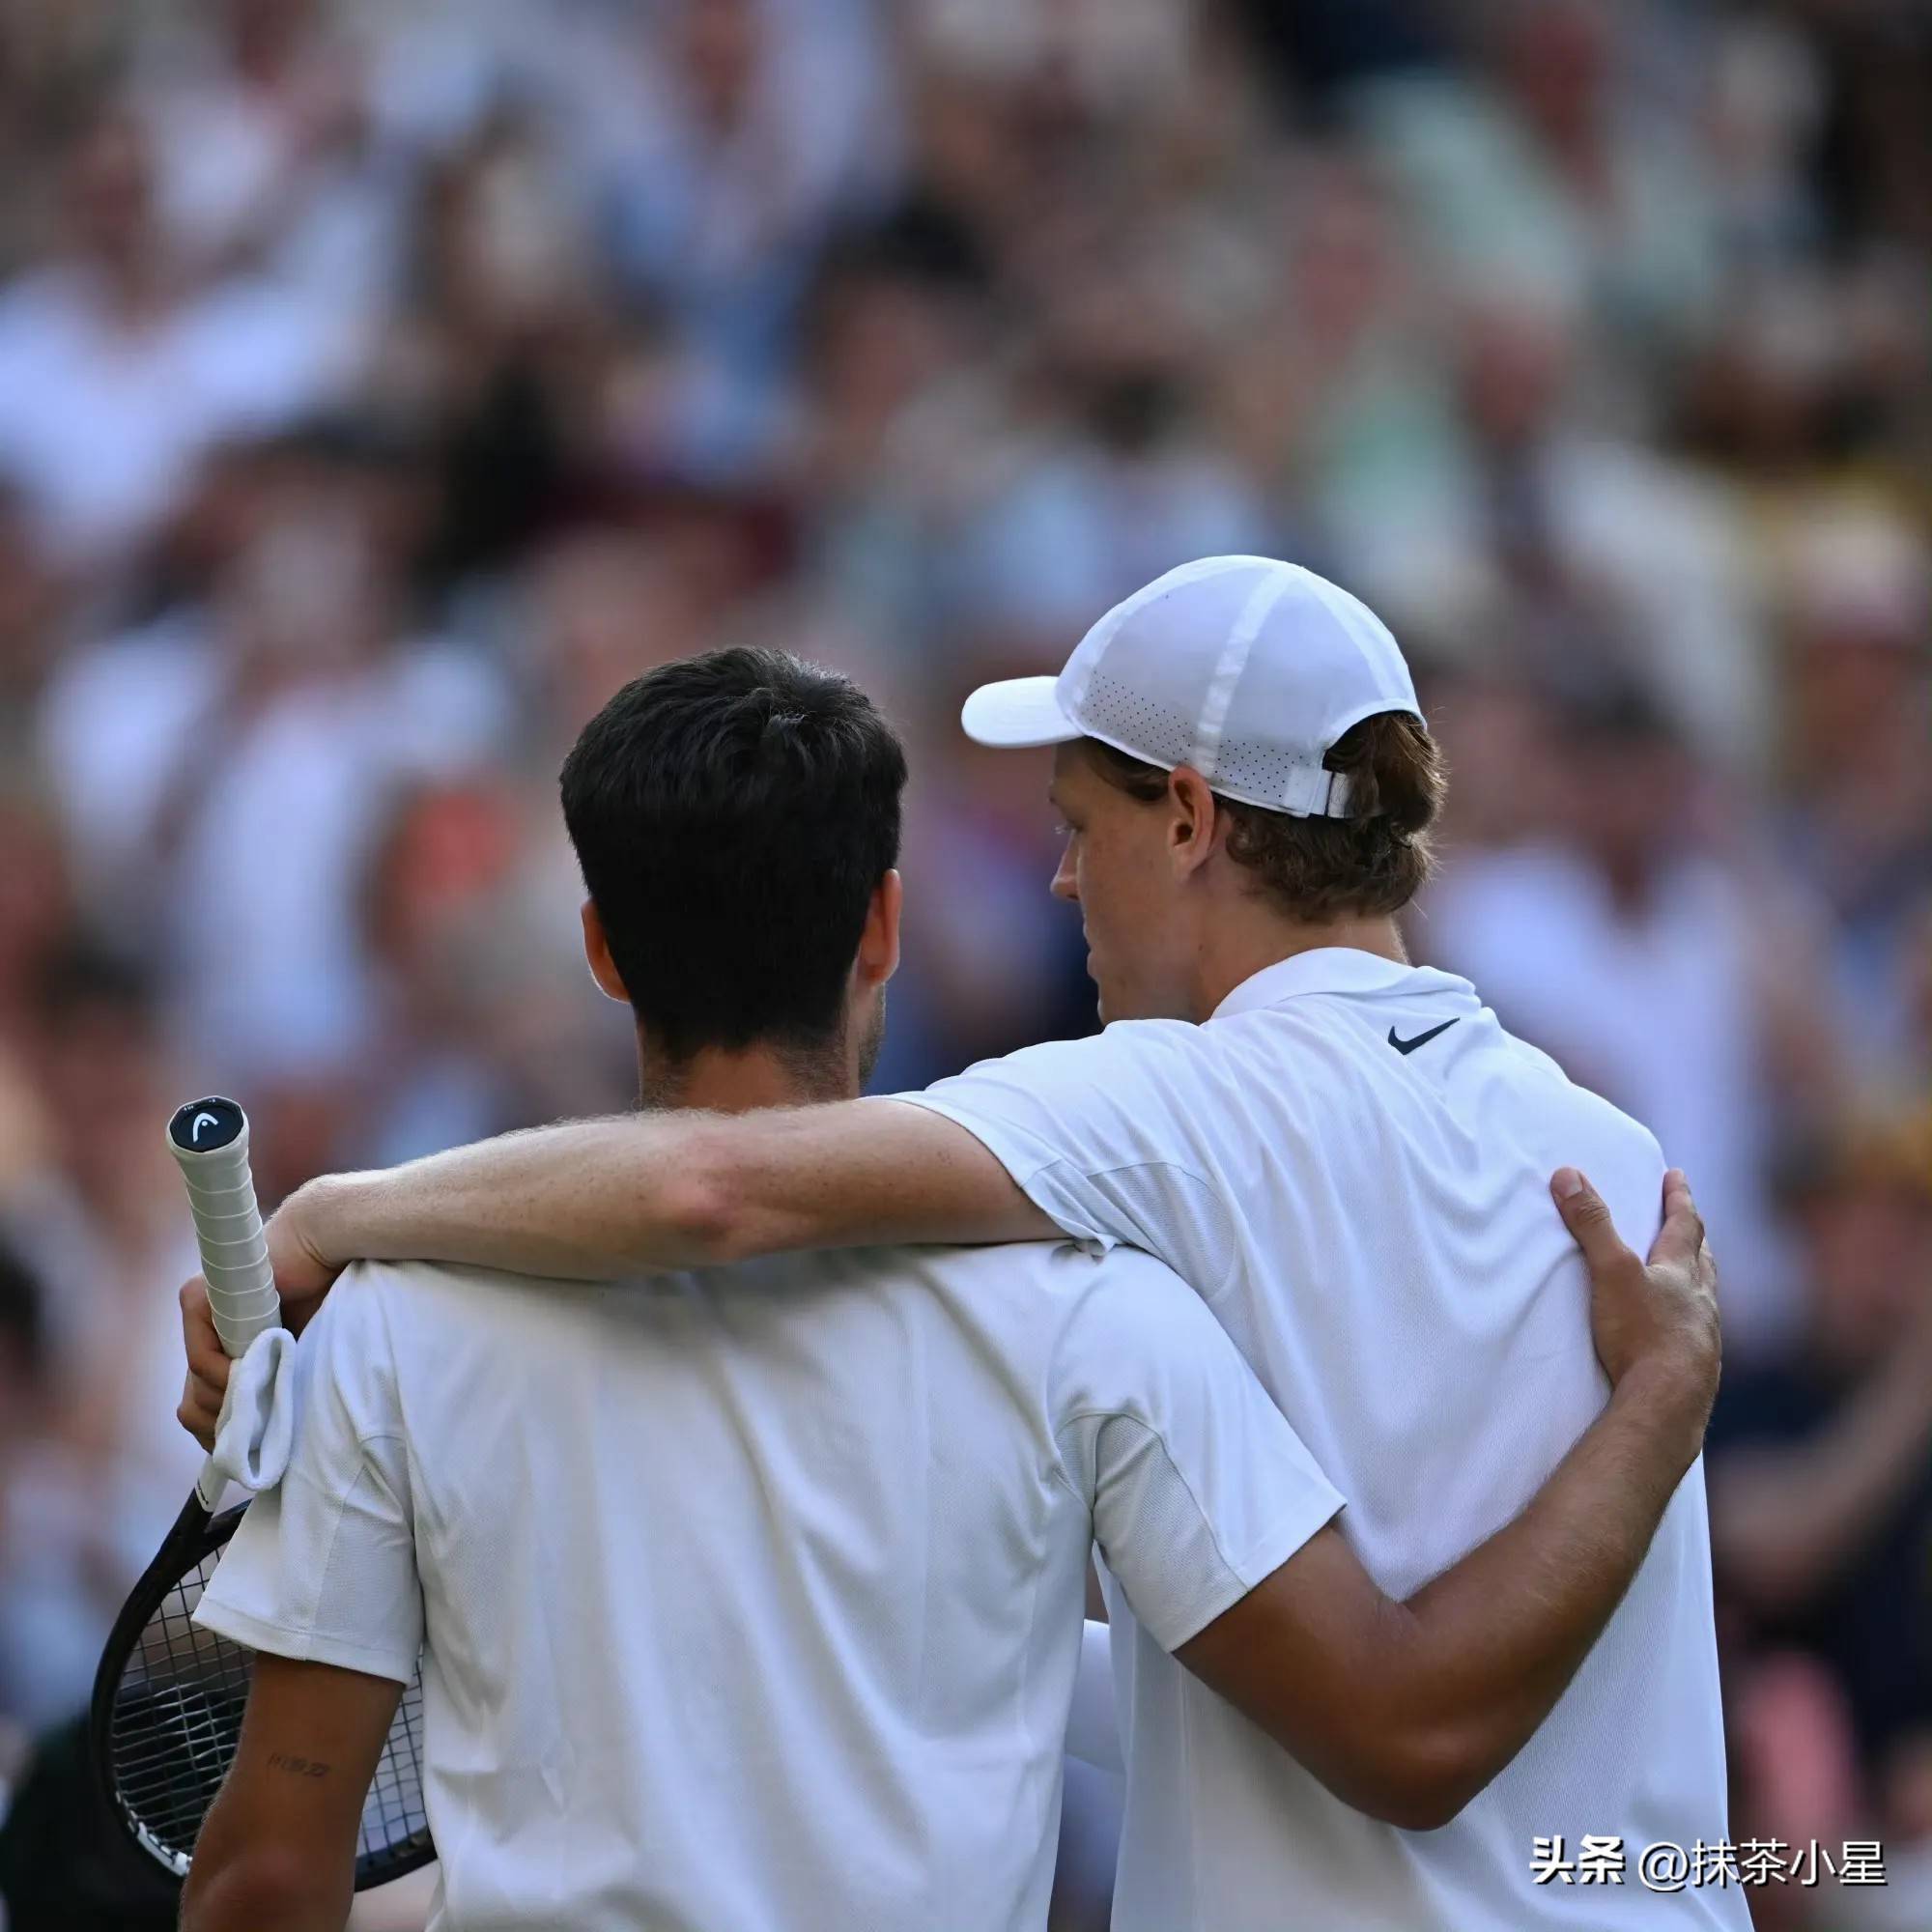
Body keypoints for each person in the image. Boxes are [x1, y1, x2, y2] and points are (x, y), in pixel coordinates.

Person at [184, 562, 1743, 1930]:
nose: (1062, 875)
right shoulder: (1614, 1161)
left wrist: (335, 1216)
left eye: (1078, 826)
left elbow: (713, 1192)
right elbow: (1262, 1688)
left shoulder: (1147, 1115)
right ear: (884, 928)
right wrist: (1657, 1415)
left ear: (1191, 817)